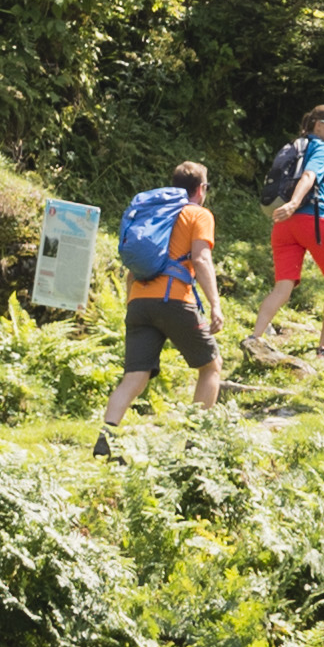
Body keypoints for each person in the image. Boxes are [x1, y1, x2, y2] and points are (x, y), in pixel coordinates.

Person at [97, 161, 224, 443]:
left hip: (139, 302)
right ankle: (195, 442)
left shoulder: (155, 215)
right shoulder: (198, 214)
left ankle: (106, 437)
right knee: (211, 367)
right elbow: (201, 259)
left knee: (134, 376)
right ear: (201, 189)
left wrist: (132, 302)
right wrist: (215, 304)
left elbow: (137, 265)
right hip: (175, 299)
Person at [264, 104, 324, 363]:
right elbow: (310, 175)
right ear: (318, 125)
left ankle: (255, 337)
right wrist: (295, 203)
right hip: (309, 220)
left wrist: (289, 207)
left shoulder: (296, 145)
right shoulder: (320, 147)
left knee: (283, 286)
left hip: (284, 224)